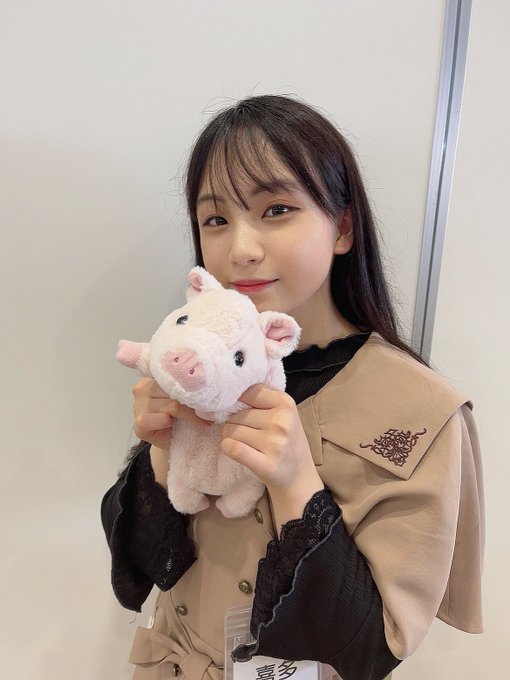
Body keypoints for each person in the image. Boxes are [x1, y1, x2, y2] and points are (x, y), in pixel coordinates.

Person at [101, 95, 484, 680]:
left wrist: (297, 482)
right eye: (215, 220)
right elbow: (144, 568)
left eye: (277, 209)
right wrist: (159, 452)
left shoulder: (421, 411)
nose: (241, 250)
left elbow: (369, 651)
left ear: (343, 228)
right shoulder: (198, 366)